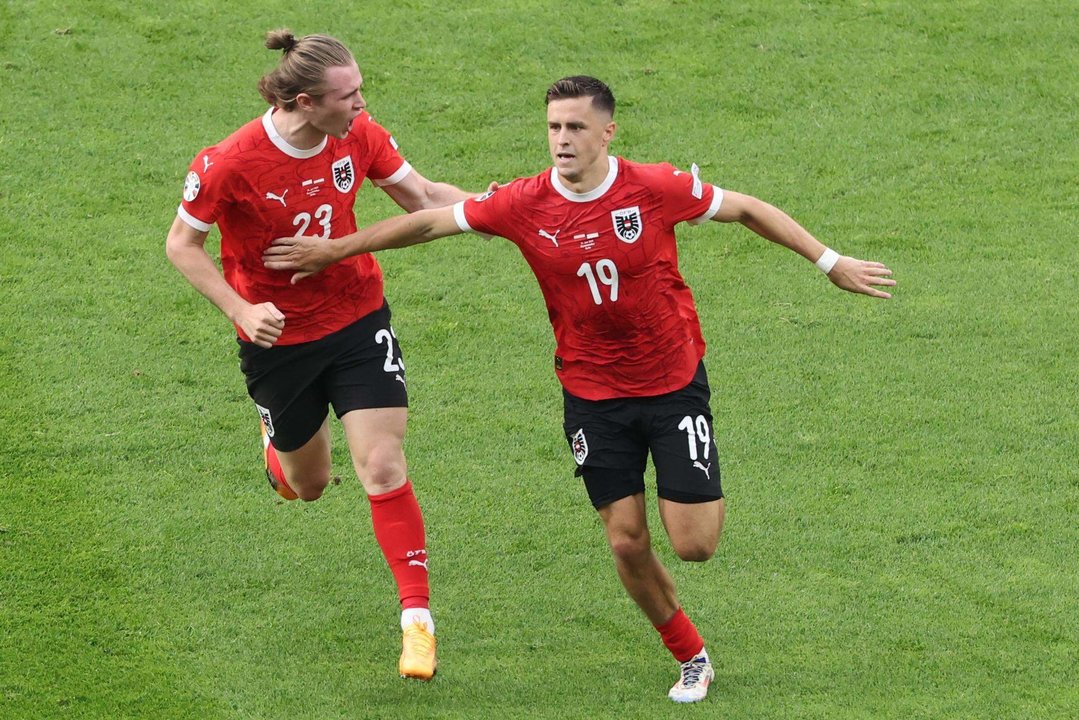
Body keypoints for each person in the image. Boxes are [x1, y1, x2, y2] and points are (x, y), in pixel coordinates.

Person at [263, 75, 896, 702]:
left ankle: (688, 597)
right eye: (553, 128)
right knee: (625, 537)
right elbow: (427, 225)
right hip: (592, 395)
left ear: (607, 132)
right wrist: (335, 250)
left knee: (695, 545)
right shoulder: (523, 201)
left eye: (575, 128)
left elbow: (749, 209)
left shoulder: (654, 188)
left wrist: (830, 262)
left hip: (672, 384)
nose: (561, 140)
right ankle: (690, 655)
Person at [165, 29, 482, 681]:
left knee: (383, 466)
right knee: (305, 486)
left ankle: (416, 623)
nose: (362, 104)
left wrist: (501, 206)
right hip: (278, 341)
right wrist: (241, 310)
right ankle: (276, 447)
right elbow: (182, 245)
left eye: (361, 89)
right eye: (350, 95)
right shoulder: (229, 162)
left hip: (358, 320)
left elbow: (420, 196)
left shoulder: (358, 135)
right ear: (306, 103)